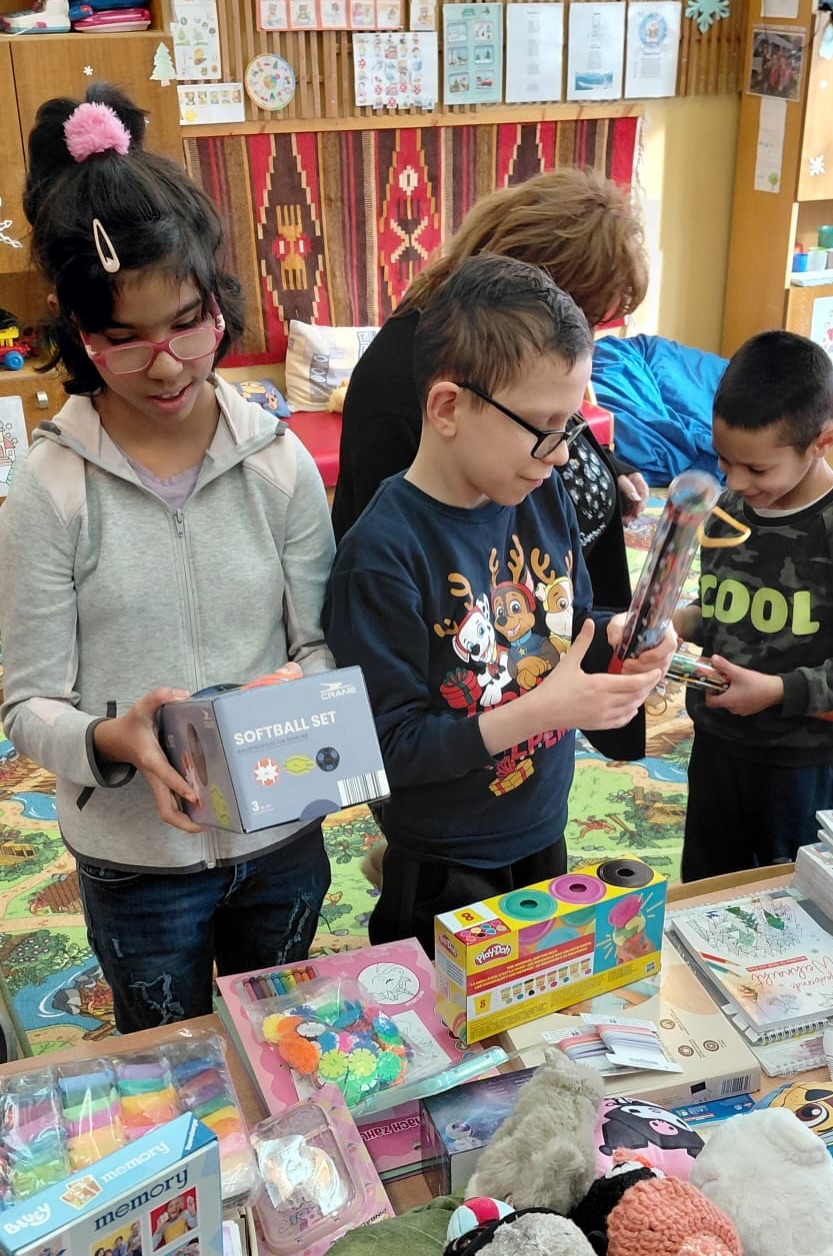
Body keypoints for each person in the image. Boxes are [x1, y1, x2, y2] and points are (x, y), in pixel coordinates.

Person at [0, 84, 336, 1033]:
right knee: (166, 1063)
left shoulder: (277, 465)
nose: (167, 363)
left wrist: (295, 688)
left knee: (284, 1040)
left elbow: (320, 644)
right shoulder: (49, 491)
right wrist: (114, 738)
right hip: (136, 864)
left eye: (189, 322)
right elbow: (26, 706)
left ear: (218, 300)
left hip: (282, 835)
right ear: (77, 332)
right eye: (124, 340)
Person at [323, 254, 674, 956]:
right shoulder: (383, 555)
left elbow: (566, 625)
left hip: (541, 821)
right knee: (448, 1014)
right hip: (442, 858)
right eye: (543, 426)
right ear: (448, 407)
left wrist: (617, 635)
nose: (561, 453)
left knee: (539, 989)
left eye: (571, 425)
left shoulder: (541, 494)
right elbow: (386, 749)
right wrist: (541, 712)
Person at [332, 167, 650, 615]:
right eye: (584, 314)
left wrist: (609, 466)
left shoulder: (527, 371)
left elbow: (545, 421)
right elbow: (422, 577)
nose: (584, 335)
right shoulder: (401, 389)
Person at [673, 331, 833, 880]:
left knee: (789, 895)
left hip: (797, 764)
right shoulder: (730, 509)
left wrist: (778, 691)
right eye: (724, 460)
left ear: (824, 441)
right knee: (705, 887)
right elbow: (724, 607)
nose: (734, 481)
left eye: (756, 469)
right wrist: (678, 622)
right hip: (716, 744)